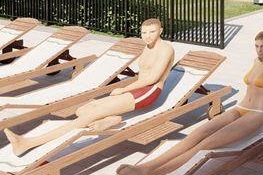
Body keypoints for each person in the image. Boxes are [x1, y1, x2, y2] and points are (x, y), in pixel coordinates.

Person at [111, 29, 263, 175]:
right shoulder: (255, 60)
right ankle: (144, 166)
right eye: (256, 46)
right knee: (196, 134)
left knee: (203, 145)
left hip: (256, 114)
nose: (259, 50)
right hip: (240, 108)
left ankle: (148, 174)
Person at [5, 18, 175, 156]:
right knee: (84, 109)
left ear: (161, 30)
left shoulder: (165, 49)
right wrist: (126, 89)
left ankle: (27, 143)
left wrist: (124, 89)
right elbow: (143, 74)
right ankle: (112, 120)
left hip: (148, 92)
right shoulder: (147, 47)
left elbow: (152, 78)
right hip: (136, 88)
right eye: (144, 32)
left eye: (152, 32)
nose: (147, 36)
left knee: (85, 117)